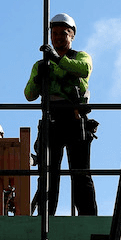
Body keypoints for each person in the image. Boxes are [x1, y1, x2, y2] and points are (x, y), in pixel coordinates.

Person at [24, 13, 97, 216]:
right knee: (48, 174)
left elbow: (84, 70)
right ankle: (46, 216)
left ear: (72, 35)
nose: (56, 38)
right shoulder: (40, 65)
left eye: (62, 34)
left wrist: (57, 60)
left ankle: (88, 216)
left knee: (80, 173)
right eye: (53, 33)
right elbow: (29, 95)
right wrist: (39, 77)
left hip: (75, 120)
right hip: (52, 121)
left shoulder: (80, 57)